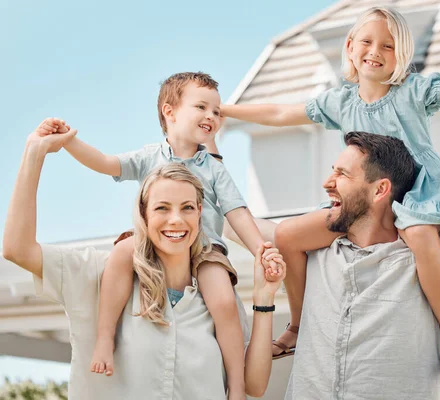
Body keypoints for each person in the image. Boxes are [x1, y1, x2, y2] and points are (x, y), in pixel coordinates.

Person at [221, 5, 440, 393]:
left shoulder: (412, 93)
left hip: (413, 195)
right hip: (361, 202)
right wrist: (224, 109)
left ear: (402, 56)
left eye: (389, 45)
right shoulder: (340, 102)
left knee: (419, 237)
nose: (376, 51)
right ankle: (298, 324)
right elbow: (281, 111)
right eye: (367, 41)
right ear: (349, 47)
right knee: (291, 234)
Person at [3, 127, 286, 399]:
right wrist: (34, 153)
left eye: (187, 207)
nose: (176, 219)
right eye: (162, 208)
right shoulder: (105, 274)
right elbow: (17, 250)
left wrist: (264, 297)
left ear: (200, 212)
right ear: (144, 212)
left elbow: (255, 387)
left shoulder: (219, 293)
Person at [55, 72, 280, 397]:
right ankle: (105, 337)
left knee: (223, 301)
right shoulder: (150, 156)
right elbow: (105, 163)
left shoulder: (213, 167)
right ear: (169, 111)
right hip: (154, 243)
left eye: (217, 111)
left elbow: (236, 212)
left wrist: (261, 248)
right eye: (201, 106)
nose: (211, 116)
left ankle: (236, 382)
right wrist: (69, 142)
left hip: (204, 249)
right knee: (121, 252)